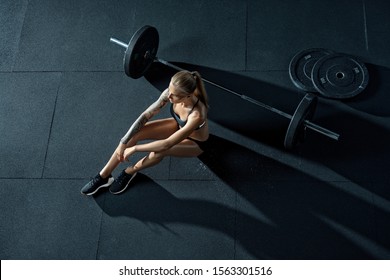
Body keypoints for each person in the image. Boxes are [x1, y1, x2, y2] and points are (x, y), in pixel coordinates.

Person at [81, 70, 210, 195]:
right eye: (169, 90)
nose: (168, 95)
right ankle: (104, 176)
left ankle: (130, 172)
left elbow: (167, 144)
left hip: (195, 143)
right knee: (136, 132)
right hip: (177, 126)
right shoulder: (170, 93)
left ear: (188, 95)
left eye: (174, 95)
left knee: (160, 151)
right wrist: (123, 143)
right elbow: (145, 115)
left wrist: (135, 148)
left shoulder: (197, 115)